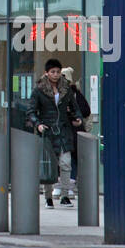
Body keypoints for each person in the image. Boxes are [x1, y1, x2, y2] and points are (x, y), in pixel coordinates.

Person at [26, 58, 83, 208]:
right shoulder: (39, 90)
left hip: (64, 130)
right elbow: (31, 111)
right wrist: (38, 124)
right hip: (47, 131)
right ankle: (48, 197)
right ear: (47, 73)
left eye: (58, 71)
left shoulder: (66, 89)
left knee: (66, 164)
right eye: (53, 72)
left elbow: (75, 107)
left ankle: (65, 195)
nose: (56, 74)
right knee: (48, 165)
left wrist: (77, 118)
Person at [60, 65, 92, 192]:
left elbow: (85, 111)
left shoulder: (75, 94)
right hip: (63, 131)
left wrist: (72, 112)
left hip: (73, 131)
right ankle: (65, 185)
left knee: (71, 158)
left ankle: (69, 185)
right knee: (65, 158)